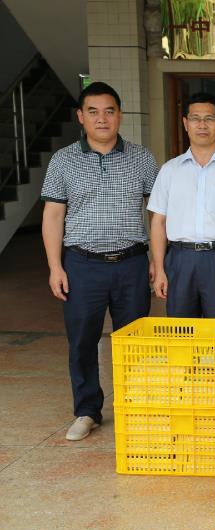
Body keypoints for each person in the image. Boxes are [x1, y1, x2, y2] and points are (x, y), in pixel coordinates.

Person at [41, 82, 157, 440]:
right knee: (81, 340)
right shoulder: (63, 160)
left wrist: (157, 258)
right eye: (93, 111)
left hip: (132, 263)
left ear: (120, 115)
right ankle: (87, 410)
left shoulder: (143, 158)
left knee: (135, 340)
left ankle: (135, 407)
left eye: (109, 111)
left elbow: (156, 215)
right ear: (81, 117)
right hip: (82, 265)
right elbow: (53, 217)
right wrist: (55, 266)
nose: (102, 118)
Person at [147, 92, 215, 318]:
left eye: (209, 118)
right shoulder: (170, 170)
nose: (202, 125)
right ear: (185, 124)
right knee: (181, 333)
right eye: (195, 118)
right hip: (179, 259)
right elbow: (158, 222)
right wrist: (159, 270)